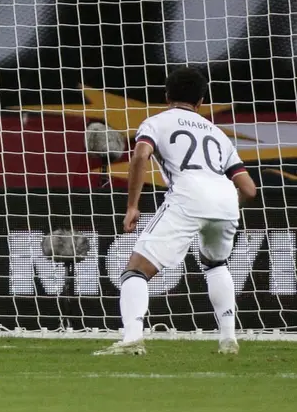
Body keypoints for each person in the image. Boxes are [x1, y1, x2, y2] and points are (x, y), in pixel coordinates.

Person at [93, 67, 257, 356]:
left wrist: (132, 206)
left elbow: (140, 155)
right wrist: (226, 209)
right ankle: (228, 339)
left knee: (135, 270)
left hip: (187, 197)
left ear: (167, 95)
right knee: (216, 265)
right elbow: (249, 189)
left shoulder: (157, 122)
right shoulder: (218, 134)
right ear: (201, 101)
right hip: (226, 200)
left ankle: (131, 340)